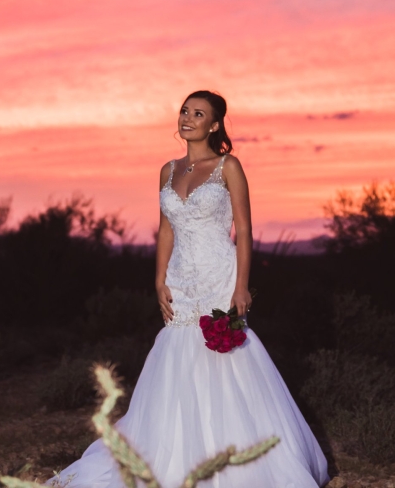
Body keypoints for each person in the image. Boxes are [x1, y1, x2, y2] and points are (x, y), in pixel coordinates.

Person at [49, 91, 329, 487]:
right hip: (181, 276)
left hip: (219, 273)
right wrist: (158, 279)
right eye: (184, 110)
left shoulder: (228, 166)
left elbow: (245, 231)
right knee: (177, 352)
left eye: (198, 113)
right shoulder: (167, 170)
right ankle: (175, 454)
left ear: (214, 125)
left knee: (225, 359)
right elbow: (165, 229)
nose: (187, 118)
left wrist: (242, 286)